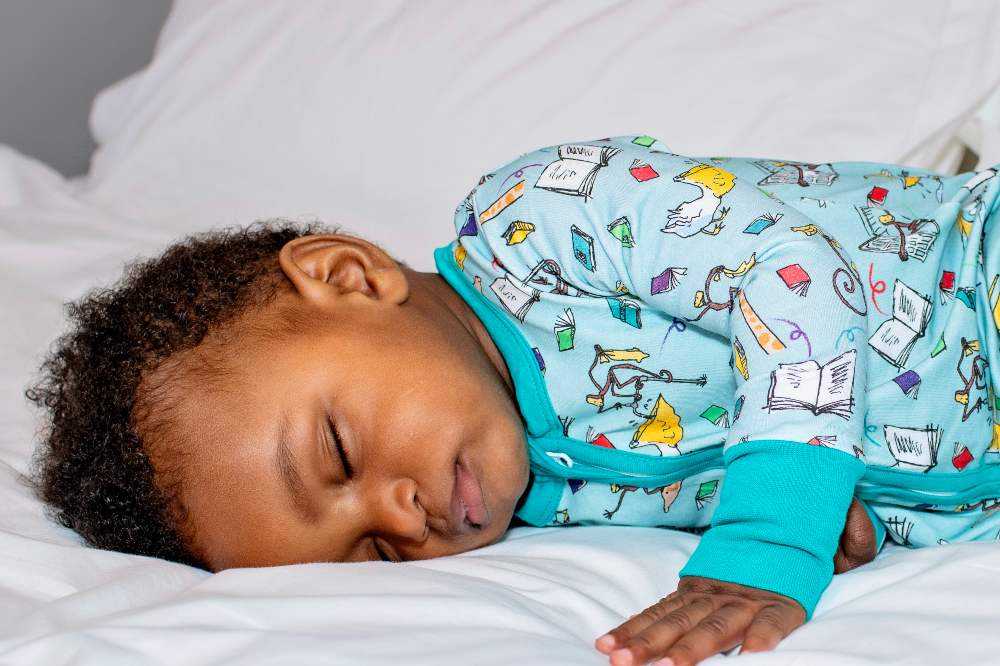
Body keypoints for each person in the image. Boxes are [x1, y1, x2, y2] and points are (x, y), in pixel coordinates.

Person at [26, 135, 1000, 666]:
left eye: (336, 454)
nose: (397, 515)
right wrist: (846, 513)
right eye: (364, 550)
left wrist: (771, 537)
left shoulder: (541, 221)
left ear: (346, 277)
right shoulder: (548, 493)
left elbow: (794, 279)